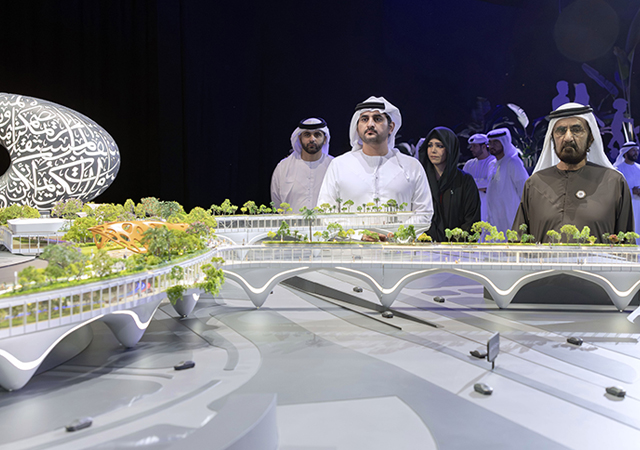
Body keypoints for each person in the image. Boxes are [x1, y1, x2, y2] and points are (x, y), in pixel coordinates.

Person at [513, 102, 634, 243]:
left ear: (591, 138)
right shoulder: (535, 184)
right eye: (560, 131)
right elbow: (518, 243)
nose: (568, 137)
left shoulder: (613, 183)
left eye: (576, 130)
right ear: (552, 139)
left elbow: (627, 244)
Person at [317, 96, 433, 224]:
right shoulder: (339, 165)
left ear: (391, 127)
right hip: (351, 237)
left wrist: (396, 233)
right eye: (364, 119)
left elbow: (424, 213)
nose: (370, 124)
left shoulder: (411, 166)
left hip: (399, 237)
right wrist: (358, 233)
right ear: (357, 128)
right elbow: (325, 213)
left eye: (377, 119)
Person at [419, 127, 480, 241]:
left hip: (457, 247)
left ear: (450, 148)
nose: (433, 150)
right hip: (425, 246)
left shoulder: (465, 181)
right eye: (430, 145)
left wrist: (455, 244)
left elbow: (472, 220)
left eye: (439, 146)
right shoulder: (420, 179)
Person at [271, 118, 333, 213]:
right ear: (300, 139)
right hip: (291, 222)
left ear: (325, 139)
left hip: (325, 223)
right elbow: (277, 203)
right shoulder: (283, 167)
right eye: (307, 135)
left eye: (317, 135)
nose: (312, 139)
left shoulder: (334, 166)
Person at [485, 128, 529, 233]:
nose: (492, 146)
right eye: (490, 143)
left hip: (511, 215)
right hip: (495, 217)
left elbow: (524, 189)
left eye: (496, 142)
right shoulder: (492, 164)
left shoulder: (513, 162)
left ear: (504, 142)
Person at [462, 133, 496, 222]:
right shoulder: (469, 164)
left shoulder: (493, 162)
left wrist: (471, 185)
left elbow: (489, 183)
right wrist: (480, 186)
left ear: (484, 146)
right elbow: (463, 183)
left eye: (474, 146)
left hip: (488, 205)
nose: (471, 149)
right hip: (471, 205)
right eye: (471, 146)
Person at [613, 141, 640, 243]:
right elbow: (614, 189)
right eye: (633, 150)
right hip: (626, 206)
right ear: (625, 152)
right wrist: (631, 191)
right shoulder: (618, 169)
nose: (636, 153)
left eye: (637, 150)